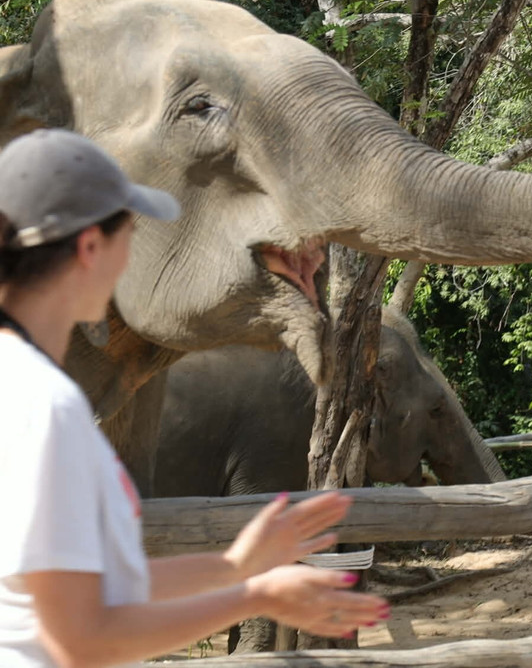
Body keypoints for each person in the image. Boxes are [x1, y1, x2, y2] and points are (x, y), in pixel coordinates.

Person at [0, 129, 389, 668]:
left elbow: (104, 587)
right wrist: (256, 597)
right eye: (129, 233)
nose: (132, 254)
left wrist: (236, 566)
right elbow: (82, 638)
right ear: (90, 247)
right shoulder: (45, 406)